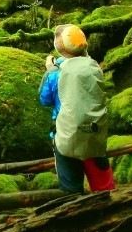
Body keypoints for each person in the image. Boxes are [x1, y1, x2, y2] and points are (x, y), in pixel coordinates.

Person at [39, 24, 115, 194]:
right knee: (103, 185)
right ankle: (109, 203)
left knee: (70, 188)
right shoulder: (93, 66)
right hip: (95, 132)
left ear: (60, 48)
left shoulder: (55, 73)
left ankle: (76, 207)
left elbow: (44, 100)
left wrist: (50, 71)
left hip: (67, 135)